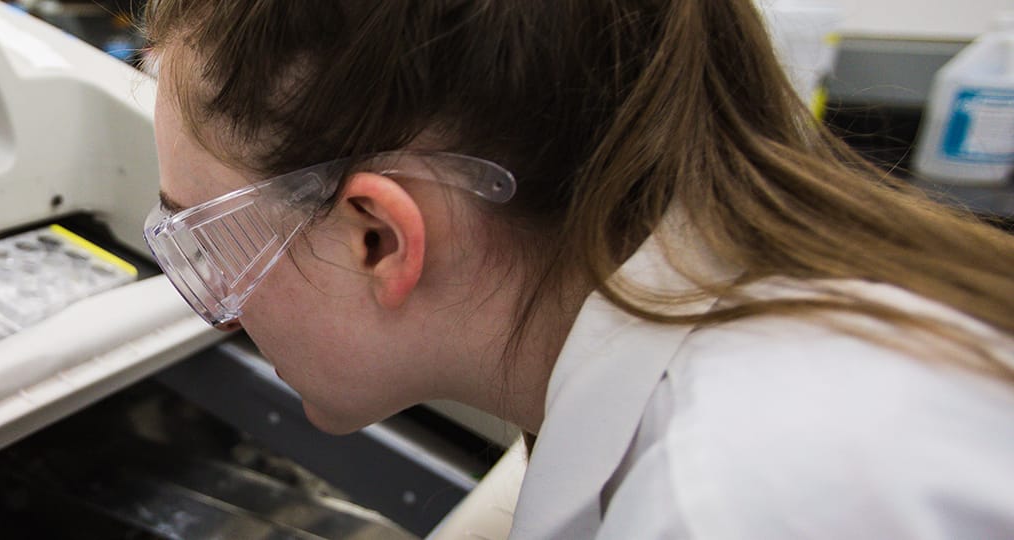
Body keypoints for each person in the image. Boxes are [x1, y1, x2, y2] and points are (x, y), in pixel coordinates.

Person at [137, 1, 1014, 537]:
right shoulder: (800, 297)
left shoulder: (733, 498)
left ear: (380, 238)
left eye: (210, 245)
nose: (219, 315)